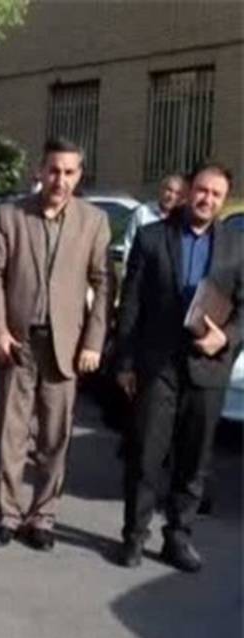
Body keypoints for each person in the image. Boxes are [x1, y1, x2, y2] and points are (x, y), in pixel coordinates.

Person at [0, 136, 111, 549]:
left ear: (79, 175)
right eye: (54, 170)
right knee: (12, 435)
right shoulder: (11, 215)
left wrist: (93, 341)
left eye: (69, 172)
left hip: (65, 346)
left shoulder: (93, 222)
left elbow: (104, 284)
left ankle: (43, 518)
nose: (60, 179)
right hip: (18, 342)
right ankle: (7, 514)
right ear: (40, 171)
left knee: (55, 438)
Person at [115, 163, 242, 572]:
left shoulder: (236, 245)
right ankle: (134, 536)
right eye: (202, 190)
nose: (207, 199)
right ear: (188, 191)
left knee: (194, 461)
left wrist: (227, 338)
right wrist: (125, 362)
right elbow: (131, 303)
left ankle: (178, 536)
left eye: (216, 194)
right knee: (146, 456)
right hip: (158, 366)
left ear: (223, 200)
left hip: (208, 367)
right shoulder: (153, 237)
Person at [123, 173, 186, 258]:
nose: (171, 196)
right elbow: (129, 243)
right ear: (161, 190)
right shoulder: (143, 212)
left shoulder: (182, 219)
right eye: (169, 190)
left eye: (177, 193)